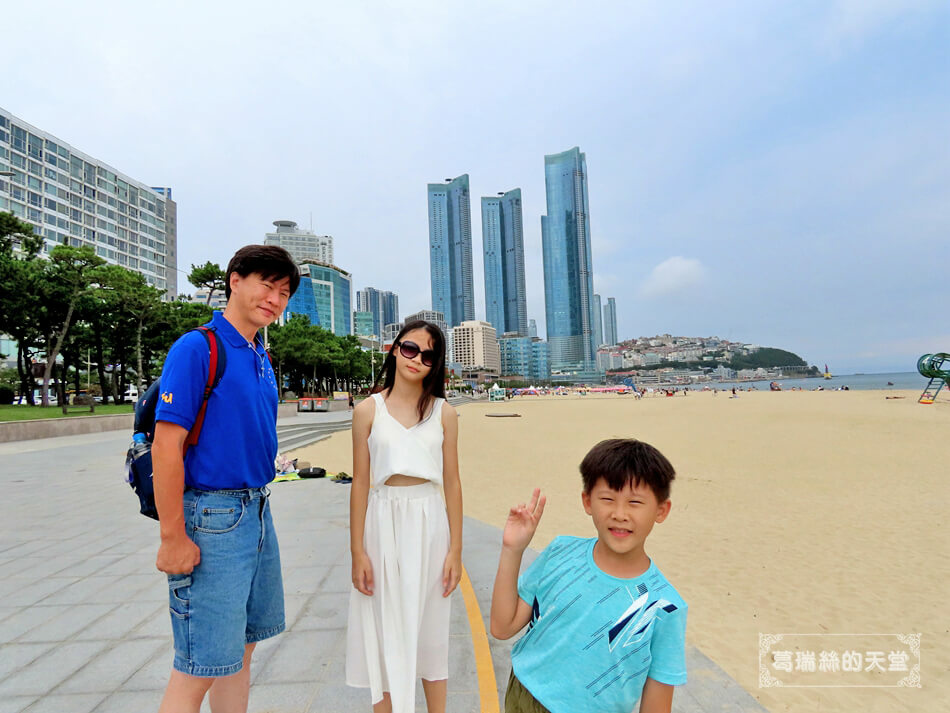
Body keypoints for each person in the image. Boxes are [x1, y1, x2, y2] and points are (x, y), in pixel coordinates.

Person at [152, 245, 299, 713]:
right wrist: (172, 537)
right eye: (266, 284)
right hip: (213, 517)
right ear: (235, 280)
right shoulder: (198, 347)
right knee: (199, 665)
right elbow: (166, 445)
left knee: (241, 650)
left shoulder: (260, 352)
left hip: (256, 509)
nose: (274, 299)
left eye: (284, 292)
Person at [490, 438, 687, 713]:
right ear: (587, 501)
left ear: (661, 510)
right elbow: (502, 626)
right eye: (607, 499)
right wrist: (512, 550)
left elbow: (656, 704)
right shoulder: (560, 552)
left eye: (635, 502)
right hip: (523, 697)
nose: (619, 514)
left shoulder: (664, 606)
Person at [346, 320, 463, 713]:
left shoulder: (445, 413)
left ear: (435, 364)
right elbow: (360, 482)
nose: (417, 359)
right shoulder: (367, 410)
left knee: (432, 631)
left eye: (428, 355)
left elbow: (452, 482)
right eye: (410, 349)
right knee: (382, 628)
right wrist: (357, 551)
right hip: (382, 521)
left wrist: (456, 551)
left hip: (431, 523)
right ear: (394, 349)